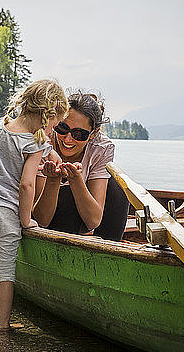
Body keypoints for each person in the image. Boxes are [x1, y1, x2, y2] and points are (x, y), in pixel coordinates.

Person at [0, 79, 69, 330]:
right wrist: (26, 220)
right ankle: (3, 325)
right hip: (5, 216)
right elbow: (26, 185)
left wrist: (51, 153)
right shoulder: (34, 144)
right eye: (55, 125)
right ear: (49, 116)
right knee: (4, 274)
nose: (54, 130)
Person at [33, 91, 129, 241]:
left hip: (84, 217)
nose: (68, 139)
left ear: (93, 133)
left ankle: (107, 251)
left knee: (118, 188)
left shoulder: (101, 148)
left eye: (79, 134)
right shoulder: (42, 141)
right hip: (48, 220)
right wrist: (53, 180)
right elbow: (41, 220)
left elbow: (94, 221)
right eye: (63, 128)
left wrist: (76, 181)